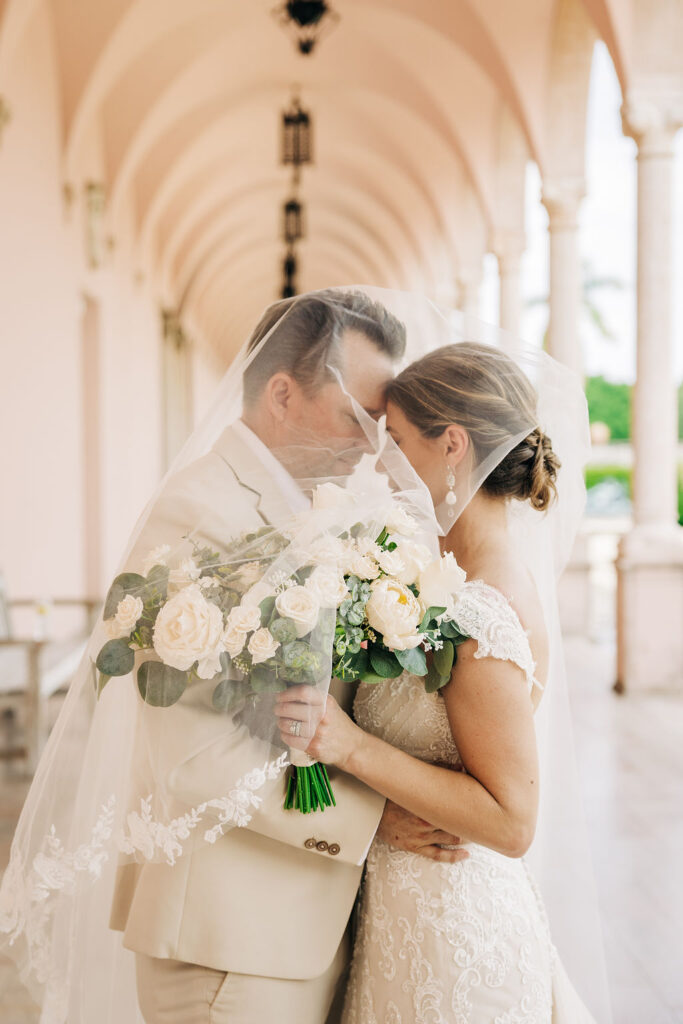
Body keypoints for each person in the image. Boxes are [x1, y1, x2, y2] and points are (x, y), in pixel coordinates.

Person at [0, 290, 467, 1024]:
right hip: (230, 947)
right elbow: (194, 757)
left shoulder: (316, 511)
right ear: (282, 392)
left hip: (301, 925)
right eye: (358, 417)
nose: (374, 445)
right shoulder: (199, 514)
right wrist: (373, 820)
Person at [276, 342, 601, 1023]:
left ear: (451, 444)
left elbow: (512, 823)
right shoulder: (439, 584)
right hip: (404, 924)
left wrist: (349, 746)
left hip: (455, 942)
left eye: (395, 440)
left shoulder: (479, 610)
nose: (381, 462)